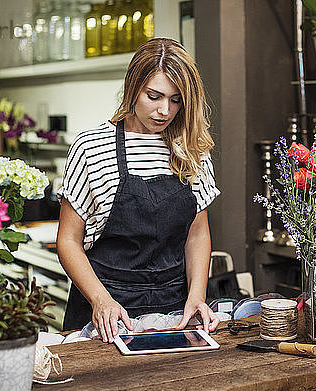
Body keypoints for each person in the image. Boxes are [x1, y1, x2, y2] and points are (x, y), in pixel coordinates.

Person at [57, 38, 221, 343]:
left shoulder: (192, 148)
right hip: (105, 311)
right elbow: (68, 240)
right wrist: (100, 299)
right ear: (133, 87)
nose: (164, 111)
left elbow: (197, 233)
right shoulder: (91, 148)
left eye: (175, 100)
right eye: (154, 96)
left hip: (175, 312)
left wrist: (197, 296)